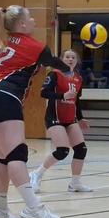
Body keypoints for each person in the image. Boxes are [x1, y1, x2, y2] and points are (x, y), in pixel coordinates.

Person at [0, 5, 63, 218]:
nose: (34, 21)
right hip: (5, 97)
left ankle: (1, 209)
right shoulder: (35, 46)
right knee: (17, 155)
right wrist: (71, 69)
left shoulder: (2, 42)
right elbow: (54, 63)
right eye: (30, 18)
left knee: (3, 158)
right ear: (22, 24)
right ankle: (34, 208)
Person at [30, 49, 92, 194]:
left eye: (73, 57)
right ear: (62, 60)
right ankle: (36, 174)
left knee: (81, 149)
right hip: (54, 117)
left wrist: (80, 118)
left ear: (77, 61)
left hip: (70, 118)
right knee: (62, 151)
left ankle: (75, 183)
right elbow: (44, 93)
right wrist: (63, 96)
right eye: (67, 57)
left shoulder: (78, 78)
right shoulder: (55, 74)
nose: (70, 59)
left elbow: (76, 100)